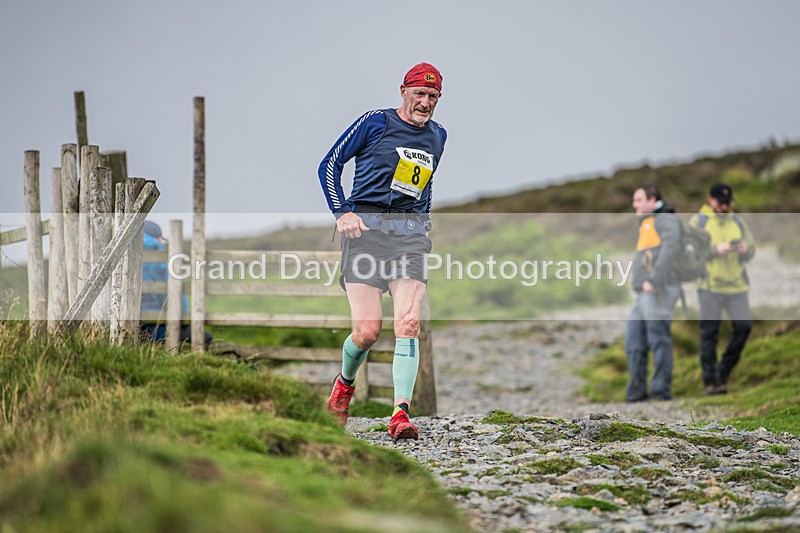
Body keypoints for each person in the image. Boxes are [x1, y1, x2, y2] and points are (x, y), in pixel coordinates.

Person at [317, 62, 447, 440]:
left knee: (408, 323)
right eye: (419, 94)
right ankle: (344, 387)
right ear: (403, 91)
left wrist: (423, 219)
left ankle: (400, 413)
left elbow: (424, 183)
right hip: (365, 234)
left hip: (409, 236)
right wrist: (342, 212)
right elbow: (330, 164)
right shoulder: (375, 122)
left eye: (433, 96)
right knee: (367, 332)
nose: (425, 102)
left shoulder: (438, 135)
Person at [690, 183, 755, 395]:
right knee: (710, 333)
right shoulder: (699, 222)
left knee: (744, 327)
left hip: (737, 285)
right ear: (710, 200)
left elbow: (751, 249)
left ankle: (724, 370)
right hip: (710, 286)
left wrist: (744, 250)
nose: (725, 206)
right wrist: (714, 250)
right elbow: (690, 251)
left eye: (728, 202)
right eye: (721, 202)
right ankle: (711, 382)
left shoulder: (737, 221)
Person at [625, 185, 682, 402]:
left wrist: (655, 279)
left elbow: (671, 248)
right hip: (644, 292)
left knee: (658, 338)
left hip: (659, 288)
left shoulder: (665, 218)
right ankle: (636, 392)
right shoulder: (647, 221)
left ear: (651, 200)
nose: (634, 204)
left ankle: (660, 390)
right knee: (634, 339)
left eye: (638, 199)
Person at [140, 220, 213, 347]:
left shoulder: (123, 252)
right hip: (156, 328)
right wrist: (184, 320)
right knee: (206, 338)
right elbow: (175, 297)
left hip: (125, 324)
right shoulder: (160, 259)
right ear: (157, 238)